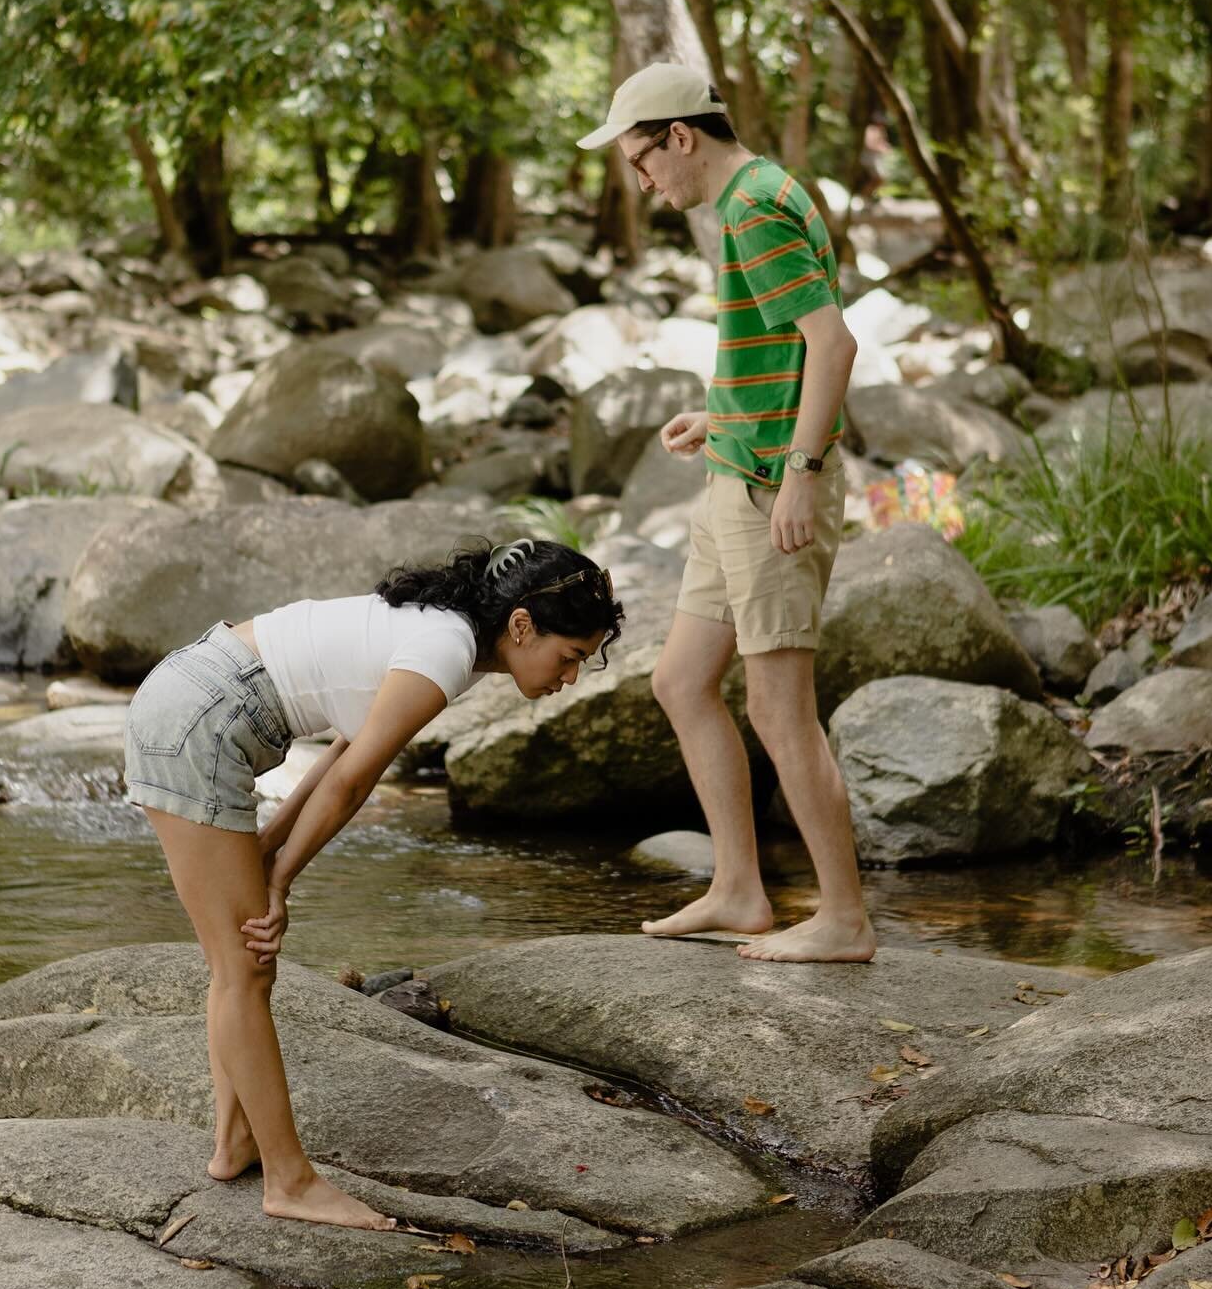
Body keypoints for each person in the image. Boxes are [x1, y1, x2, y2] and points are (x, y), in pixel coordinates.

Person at [123, 539, 623, 1230]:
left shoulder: (454, 640)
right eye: (570, 656)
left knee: (244, 966)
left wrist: (272, 853)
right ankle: (289, 1182)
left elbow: (343, 750)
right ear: (522, 626)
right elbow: (356, 779)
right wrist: (279, 882)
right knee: (242, 966)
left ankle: (237, 1144)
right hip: (200, 721)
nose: (570, 677)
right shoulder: (446, 649)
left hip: (198, 699)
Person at [578, 61, 875, 964]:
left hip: (765, 492)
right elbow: (791, 345)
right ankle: (741, 890)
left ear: (681, 136)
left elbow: (835, 342)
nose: (641, 180)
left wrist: (802, 473)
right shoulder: (760, 192)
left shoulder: (751, 209)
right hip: (734, 471)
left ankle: (844, 920)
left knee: (782, 713)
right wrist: (728, 417)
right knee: (680, 682)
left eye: (641, 159)